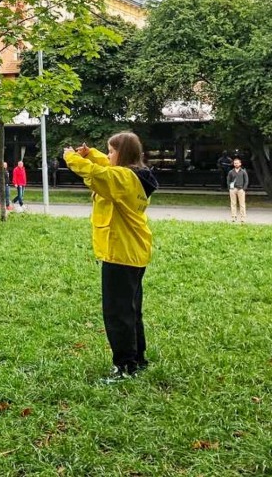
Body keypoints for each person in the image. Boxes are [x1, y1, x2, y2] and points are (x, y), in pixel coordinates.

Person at [63, 132, 158, 383]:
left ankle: (125, 366)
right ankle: (137, 359)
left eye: (111, 150)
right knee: (131, 310)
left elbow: (96, 174)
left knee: (117, 313)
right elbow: (106, 166)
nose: (108, 155)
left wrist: (71, 158)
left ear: (122, 153)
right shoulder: (134, 176)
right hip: (134, 251)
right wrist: (92, 153)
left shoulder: (122, 178)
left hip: (120, 252)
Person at [227, 157, 249, 223]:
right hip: (233, 189)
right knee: (233, 203)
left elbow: (246, 180)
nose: (236, 164)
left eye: (237, 163)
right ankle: (233, 217)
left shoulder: (243, 172)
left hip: (241, 189)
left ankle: (243, 218)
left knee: (242, 204)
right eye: (235, 163)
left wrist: (244, 188)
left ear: (240, 164)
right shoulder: (231, 172)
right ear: (233, 164)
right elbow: (228, 180)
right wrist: (230, 188)